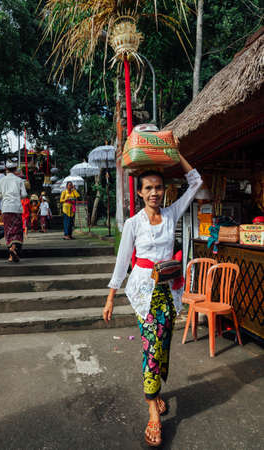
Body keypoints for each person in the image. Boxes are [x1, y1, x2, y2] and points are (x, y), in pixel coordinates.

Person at [103, 153, 202, 447]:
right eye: (148, 188)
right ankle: (152, 412)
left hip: (168, 292)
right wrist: (110, 297)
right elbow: (123, 263)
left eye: (158, 187)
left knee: (163, 346)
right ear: (140, 192)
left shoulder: (172, 213)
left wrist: (177, 154)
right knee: (152, 347)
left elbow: (195, 182)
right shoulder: (133, 224)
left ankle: (156, 393)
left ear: (164, 190)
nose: (155, 192)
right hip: (143, 294)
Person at [0, 160, 27, 262]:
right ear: (15, 169)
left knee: (8, 231)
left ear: (6, 169)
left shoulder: (2, 180)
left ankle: (11, 254)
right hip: (16, 207)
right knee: (17, 231)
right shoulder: (19, 180)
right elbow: (24, 195)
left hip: (6, 208)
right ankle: (13, 249)